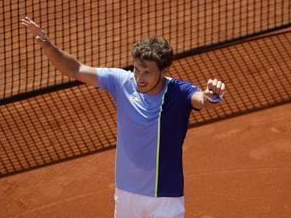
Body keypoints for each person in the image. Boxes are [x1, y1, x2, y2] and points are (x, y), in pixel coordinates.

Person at [21, 16, 225, 218]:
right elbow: (76, 69)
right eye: (136, 69)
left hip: (165, 198)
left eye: (147, 72)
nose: (139, 78)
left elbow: (201, 99)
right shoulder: (121, 81)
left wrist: (212, 95)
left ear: (163, 71)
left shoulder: (179, 91)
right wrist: (47, 45)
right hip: (126, 194)